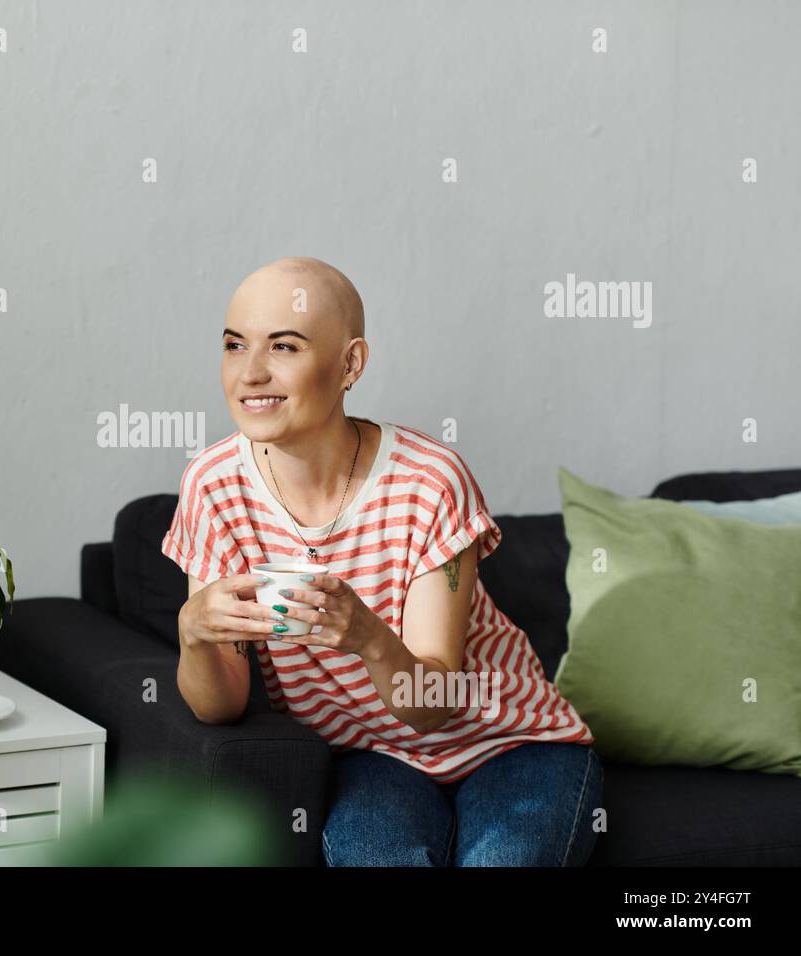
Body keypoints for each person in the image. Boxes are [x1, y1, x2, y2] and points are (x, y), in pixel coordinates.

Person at [163, 256, 602, 866]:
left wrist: (367, 636)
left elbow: (439, 699)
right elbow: (223, 706)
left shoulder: (429, 482)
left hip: (512, 742)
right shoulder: (213, 486)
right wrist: (194, 633)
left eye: (284, 347)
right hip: (370, 756)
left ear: (350, 364)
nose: (251, 373)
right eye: (235, 346)